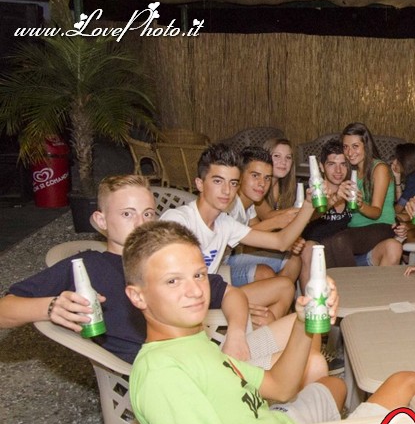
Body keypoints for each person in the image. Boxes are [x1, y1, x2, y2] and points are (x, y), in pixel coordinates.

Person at [125, 221, 415, 424]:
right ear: (137, 296)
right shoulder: (161, 374)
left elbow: (280, 388)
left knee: (334, 385)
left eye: (198, 275)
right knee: (408, 381)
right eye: (173, 281)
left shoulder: (191, 342)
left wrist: (303, 322)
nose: (195, 291)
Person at [0, 175, 289, 369]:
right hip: (179, 376)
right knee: (301, 364)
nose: (141, 223)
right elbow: (4, 310)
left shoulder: (167, 262)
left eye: (148, 214)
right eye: (127, 214)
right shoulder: (89, 267)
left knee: (301, 329)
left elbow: (230, 294)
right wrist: (50, 307)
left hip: (212, 353)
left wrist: (236, 334)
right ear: (101, 220)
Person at [160, 144, 314, 323]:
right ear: (200, 184)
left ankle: (260, 336)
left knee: (285, 287)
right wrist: (234, 301)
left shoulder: (225, 223)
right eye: (218, 181)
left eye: (233, 183)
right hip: (185, 301)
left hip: (214, 293)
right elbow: (166, 281)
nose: (227, 191)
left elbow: (281, 242)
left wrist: (309, 205)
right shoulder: (178, 220)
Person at [318, 122, 396, 268]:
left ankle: (353, 282)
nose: (350, 152)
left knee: (340, 241)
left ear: (366, 145)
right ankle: (334, 282)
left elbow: (376, 212)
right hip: (355, 229)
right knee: (325, 245)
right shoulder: (351, 171)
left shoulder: (379, 168)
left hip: (380, 226)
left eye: (355, 146)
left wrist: (360, 205)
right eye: (346, 147)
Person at [225, 146, 302, 285]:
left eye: (267, 178)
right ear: (239, 176)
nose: (262, 184)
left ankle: (280, 293)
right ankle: (275, 292)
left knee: (294, 258)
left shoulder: (250, 204)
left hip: (231, 259)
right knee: (264, 273)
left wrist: (289, 242)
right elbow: (233, 238)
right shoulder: (228, 203)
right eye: (255, 176)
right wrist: (276, 222)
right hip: (216, 268)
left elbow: (257, 231)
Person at [299, 139, 353, 287]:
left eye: (343, 164)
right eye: (332, 164)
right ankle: (310, 301)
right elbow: (304, 218)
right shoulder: (311, 192)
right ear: (322, 167)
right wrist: (333, 200)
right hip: (317, 251)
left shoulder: (352, 192)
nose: (338, 170)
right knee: (308, 248)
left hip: (344, 253)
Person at [260, 137, 298, 214]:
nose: (283, 162)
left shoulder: (286, 186)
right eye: (277, 156)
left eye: (288, 157)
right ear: (265, 157)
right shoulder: (257, 186)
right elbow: (267, 216)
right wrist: (306, 208)